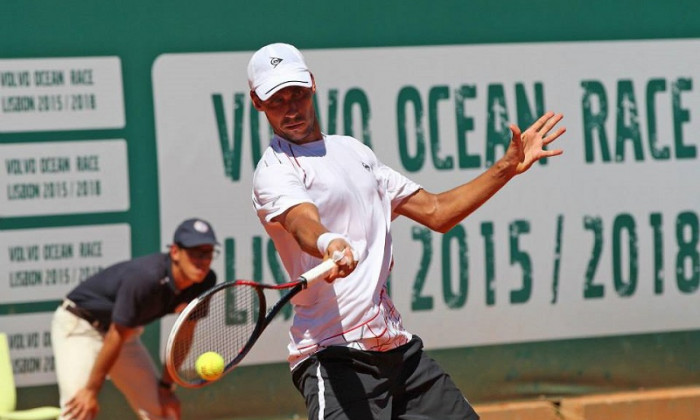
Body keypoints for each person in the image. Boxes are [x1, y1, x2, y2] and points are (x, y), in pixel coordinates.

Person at [249, 43, 565, 420]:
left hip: (396, 350)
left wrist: (506, 169)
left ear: (312, 85)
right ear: (257, 102)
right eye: (276, 100)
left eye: (297, 94)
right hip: (334, 357)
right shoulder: (275, 171)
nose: (290, 108)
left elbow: (437, 212)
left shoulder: (354, 152)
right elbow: (302, 222)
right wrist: (328, 242)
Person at [51, 218, 220, 420]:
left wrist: (166, 386)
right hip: (80, 326)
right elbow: (115, 334)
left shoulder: (205, 281)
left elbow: (184, 335)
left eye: (208, 253)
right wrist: (91, 390)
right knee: (78, 410)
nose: (202, 260)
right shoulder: (146, 279)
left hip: (123, 334)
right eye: (195, 253)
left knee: (163, 410)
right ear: (175, 252)